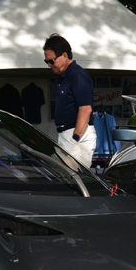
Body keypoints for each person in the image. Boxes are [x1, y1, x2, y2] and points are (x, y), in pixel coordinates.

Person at [43, 33, 96, 169]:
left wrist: (75, 138)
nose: (49, 65)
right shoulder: (65, 77)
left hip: (77, 136)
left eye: (51, 61)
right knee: (66, 178)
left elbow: (85, 109)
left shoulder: (77, 75)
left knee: (73, 179)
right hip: (68, 135)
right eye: (47, 61)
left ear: (65, 56)